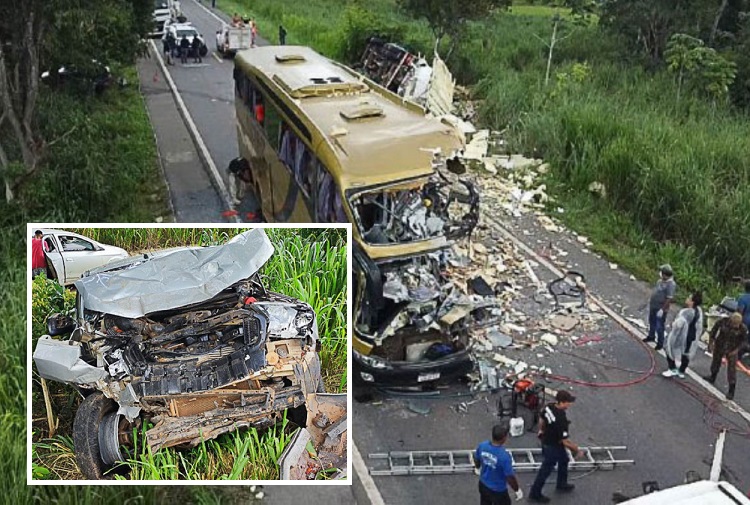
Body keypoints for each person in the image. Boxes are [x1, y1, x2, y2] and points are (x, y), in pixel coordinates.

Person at [529, 390, 582, 503]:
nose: (570, 404)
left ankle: (561, 483)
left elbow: (541, 419)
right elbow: (565, 442)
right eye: (568, 402)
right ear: (562, 402)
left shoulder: (549, 406)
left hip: (546, 440)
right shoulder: (561, 420)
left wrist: (541, 430)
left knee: (564, 460)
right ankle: (535, 493)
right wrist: (577, 450)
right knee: (545, 471)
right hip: (553, 446)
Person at [475, 424, 523, 505]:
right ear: (503, 438)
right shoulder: (504, 457)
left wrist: (477, 467)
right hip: (498, 491)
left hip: (483, 485)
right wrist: (517, 489)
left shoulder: (483, 446)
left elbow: (477, 458)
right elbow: (509, 477)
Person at [704, 312, 748, 400]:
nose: (736, 326)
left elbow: (744, 342)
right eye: (734, 324)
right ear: (731, 320)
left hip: (732, 349)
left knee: (731, 370)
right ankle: (713, 376)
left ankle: (731, 390)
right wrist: (711, 343)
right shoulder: (723, 321)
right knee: (716, 361)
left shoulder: (743, 328)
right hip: (720, 344)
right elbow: (714, 330)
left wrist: (736, 351)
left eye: (737, 324)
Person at [662, 291, 703, 379]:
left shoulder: (687, 312)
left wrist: (673, 324)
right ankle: (681, 370)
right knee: (685, 353)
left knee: (669, 349)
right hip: (690, 335)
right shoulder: (697, 311)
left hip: (681, 335)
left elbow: (679, 324)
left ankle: (672, 368)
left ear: (692, 302)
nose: (687, 299)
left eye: (689, 298)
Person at [643, 264, 677, 351]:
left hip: (661, 308)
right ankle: (651, 336)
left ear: (665, 274)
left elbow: (669, 298)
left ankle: (660, 343)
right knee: (652, 321)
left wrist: (662, 309)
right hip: (654, 305)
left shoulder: (671, 284)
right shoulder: (660, 281)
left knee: (659, 326)